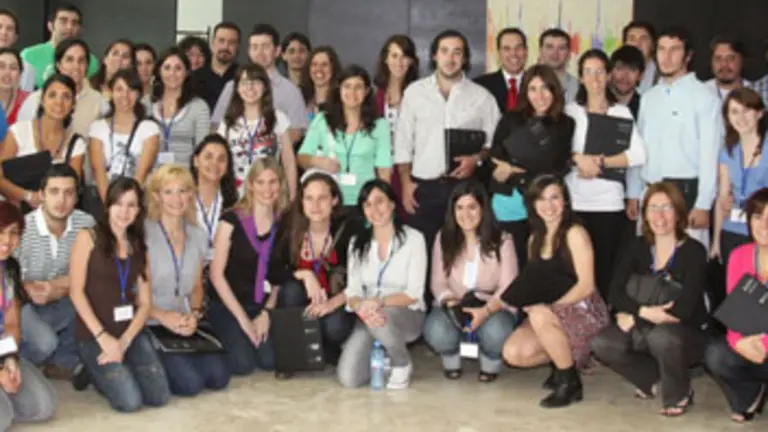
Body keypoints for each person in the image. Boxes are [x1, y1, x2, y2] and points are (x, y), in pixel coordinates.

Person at [591, 181, 709, 417]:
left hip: (685, 334)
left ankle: (679, 393)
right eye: (653, 208)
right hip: (644, 324)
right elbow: (615, 292)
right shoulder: (635, 247)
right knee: (602, 343)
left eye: (667, 208)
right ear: (644, 214)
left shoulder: (694, 251)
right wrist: (644, 313)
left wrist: (635, 316)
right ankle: (651, 380)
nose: (660, 216)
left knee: (662, 337)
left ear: (679, 214)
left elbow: (683, 310)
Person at [501, 174, 609, 408]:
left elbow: (586, 286)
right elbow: (535, 282)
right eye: (541, 199)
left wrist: (551, 309)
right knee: (514, 353)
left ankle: (568, 381)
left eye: (554, 198)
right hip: (549, 314)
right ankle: (562, 361)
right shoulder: (534, 240)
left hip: (583, 308)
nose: (548, 205)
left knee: (539, 314)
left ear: (565, 201)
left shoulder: (575, 233)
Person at [395, 29, 500, 263]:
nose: (450, 58)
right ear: (434, 55)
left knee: (461, 254)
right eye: (444, 51)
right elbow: (403, 141)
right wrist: (405, 182)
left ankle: (455, 299)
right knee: (422, 252)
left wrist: (477, 159)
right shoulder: (414, 93)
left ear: (464, 58)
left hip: (463, 190)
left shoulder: (482, 97)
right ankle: (424, 299)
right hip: (423, 187)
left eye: (457, 52)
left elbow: (494, 144)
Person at [69, 177, 170, 412]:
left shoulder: (138, 244)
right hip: (94, 333)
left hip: (129, 332)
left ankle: (117, 364)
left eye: (131, 205)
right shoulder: (88, 237)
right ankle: (91, 370)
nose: (124, 212)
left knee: (159, 396)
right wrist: (103, 337)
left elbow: (145, 304)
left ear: (139, 210)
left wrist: (124, 342)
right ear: (108, 205)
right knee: (129, 401)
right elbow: (76, 293)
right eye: (118, 204)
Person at [627, 27, 722, 249]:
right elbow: (638, 149)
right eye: (661, 49)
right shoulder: (649, 98)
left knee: (686, 268)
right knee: (650, 265)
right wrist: (633, 192)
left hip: (686, 195)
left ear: (688, 55)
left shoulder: (704, 97)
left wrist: (703, 204)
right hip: (650, 192)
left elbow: (710, 154)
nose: (667, 56)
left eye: (675, 50)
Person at [565, 49, 646, 301]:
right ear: (580, 77)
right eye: (588, 72)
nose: (595, 78)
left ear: (609, 75)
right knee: (573, 268)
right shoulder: (570, 112)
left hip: (609, 203)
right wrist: (578, 159)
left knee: (604, 268)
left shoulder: (621, 112)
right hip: (575, 201)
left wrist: (601, 162)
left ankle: (601, 324)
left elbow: (638, 155)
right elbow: (558, 150)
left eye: (600, 71)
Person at [144, 164, 230, 396]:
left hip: (185, 321)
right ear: (156, 196)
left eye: (183, 191)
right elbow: (133, 292)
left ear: (191, 195)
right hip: (151, 321)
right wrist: (163, 316)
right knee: (189, 384)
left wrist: (194, 313)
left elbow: (196, 287)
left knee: (219, 377)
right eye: (168, 192)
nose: (177, 199)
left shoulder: (198, 235)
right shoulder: (144, 235)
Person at [423, 181, 518, 382]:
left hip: (492, 306)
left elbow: (508, 286)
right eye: (460, 208)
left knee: (497, 331)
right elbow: (438, 282)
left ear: (483, 209)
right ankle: (451, 357)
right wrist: (449, 302)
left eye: (472, 207)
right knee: (435, 329)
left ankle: (490, 359)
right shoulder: (443, 238)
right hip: (455, 304)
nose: (466, 214)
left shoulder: (503, 240)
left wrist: (485, 311)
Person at [339, 180, 426, 389]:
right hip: (368, 315)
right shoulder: (356, 243)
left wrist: (378, 302)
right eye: (367, 204)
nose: (374, 210)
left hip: (405, 313)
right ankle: (382, 354)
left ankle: (401, 362)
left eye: (380, 202)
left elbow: (413, 293)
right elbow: (353, 290)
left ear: (393, 204)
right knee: (349, 378)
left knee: (383, 319)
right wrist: (361, 307)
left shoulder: (414, 239)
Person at [207, 158, 290, 375]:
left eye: (273, 182)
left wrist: (266, 314)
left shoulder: (284, 223)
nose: (267, 189)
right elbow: (216, 275)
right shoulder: (230, 220)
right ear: (250, 184)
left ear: (280, 185)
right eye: (260, 182)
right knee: (242, 364)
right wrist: (243, 321)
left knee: (269, 361)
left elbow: (278, 279)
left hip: (259, 303)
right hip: (228, 304)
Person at [268, 171, 356, 371]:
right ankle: (296, 354)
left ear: (334, 200)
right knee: (290, 290)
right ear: (301, 201)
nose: (315, 206)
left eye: (322, 198)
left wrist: (331, 304)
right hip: (303, 300)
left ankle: (329, 348)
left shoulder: (350, 227)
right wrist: (305, 274)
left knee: (335, 327)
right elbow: (273, 271)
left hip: (338, 300)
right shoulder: (290, 224)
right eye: (309, 198)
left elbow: (360, 280)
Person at [489, 64, 574, 268]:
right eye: (533, 89)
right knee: (511, 262)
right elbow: (496, 156)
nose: (540, 95)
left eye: (545, 88)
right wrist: (503, 170)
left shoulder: (565, 123)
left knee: (541, 262)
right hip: (510, 201)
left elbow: (560, 165)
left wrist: (519, 172)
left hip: (545, 204)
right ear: (525, 93)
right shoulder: (511, 119)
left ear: (554, 90)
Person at [16, 164, 94, 382]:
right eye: (54, 191)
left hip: (62, 298)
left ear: (76, 197)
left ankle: (61, 362)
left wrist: (59, 287)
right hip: (23, 302)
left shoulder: (86, 224)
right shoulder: (21, 227)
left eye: (68, 193)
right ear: (41, 195)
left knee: (92, 298)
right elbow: (6, 282)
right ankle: (17, 363)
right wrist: (27, 290)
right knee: (44, 342)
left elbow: (95, 272)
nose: (61, 200)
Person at [705, 187, 768, 424]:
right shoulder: (740, 256)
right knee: (716, 355)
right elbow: (735, 311)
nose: (764, 225)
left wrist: (763, 344)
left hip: (763, 344)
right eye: (758, 216)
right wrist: (738, 342)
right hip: (749, 343)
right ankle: (751, 393)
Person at [0, 201, 58, 431]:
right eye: (1, 231)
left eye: (14, 233)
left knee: (43, 407)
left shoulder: (10, 269)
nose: (7, 240)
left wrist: (10, 359)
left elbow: (12, 323)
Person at [298, 65, 392, 207]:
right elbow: (301, 157)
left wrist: (383, 202)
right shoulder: (323, 120)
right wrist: (319, 162)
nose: (352, 92)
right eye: (347, 86)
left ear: (366, 91)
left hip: (366, 202)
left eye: (358, 87)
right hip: (329, 202)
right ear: (339, 90)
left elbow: (384, 171)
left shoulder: (380, 126)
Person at [0, 74, 87, 208]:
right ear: (42, 100)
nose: (59, 102)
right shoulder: (18, 132)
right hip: (15, 213)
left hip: (56, 215)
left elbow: (71, 189)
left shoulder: (76, 144)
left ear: (73, 104)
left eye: (66, 97)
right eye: (52, 95)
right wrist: (28, 196)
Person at [212, 24, 307, 144]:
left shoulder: (290, 91)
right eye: (254, 47)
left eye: (265, 47)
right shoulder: (232, 87)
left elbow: (296, 132)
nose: (259, 52)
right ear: (248, 52)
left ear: (277, 51)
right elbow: (216, 126)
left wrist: (265, 147)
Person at [215, 64, 297, 198]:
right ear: (237, 88)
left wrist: (292, 196)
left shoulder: (278, 118)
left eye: (256, 82)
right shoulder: (228, 121)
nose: (250, 88)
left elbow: (289, 162)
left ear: (265, 87)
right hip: (235, 194)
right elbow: (218, 160)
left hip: (269, 192)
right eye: (244, 83)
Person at [712, 88, 768, 266]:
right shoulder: (728, 151)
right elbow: (722, 199)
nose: (740, 118)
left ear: (759, 113)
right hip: (732, 231)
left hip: (763, 230)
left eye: (746, 110)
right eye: (734, 112)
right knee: (736, 290)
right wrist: (715, 242)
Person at [89, 69, 160, 202]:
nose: (125, 96)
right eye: (119, 89)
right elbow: (99, 173)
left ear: (138, 94)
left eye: (131, 90)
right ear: (110, 92)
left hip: (137, 199)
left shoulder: (150, 128)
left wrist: (127, 205)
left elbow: (141, 175)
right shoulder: (97, 128)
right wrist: (109, 205)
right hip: (103, 199)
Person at [17, 38, 104, 138]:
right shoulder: (37, 99)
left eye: (81, 61)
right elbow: (21, 137)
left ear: (87, 66)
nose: (76, 66)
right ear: (58, 65)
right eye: (69, 60)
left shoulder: (99, 101)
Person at [151, 47, 211, 166]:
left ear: (187, 72)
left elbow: (203, 150)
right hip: (153, 179)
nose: (172, 73)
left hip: (185, 178)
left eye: (178, 68)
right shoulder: (147, 105)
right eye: (167, 68)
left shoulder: (199, 107)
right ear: (159, 71)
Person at [20, 3, 99, 88]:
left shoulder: (91, 61)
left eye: (74, 23)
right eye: (63, 21)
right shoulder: (28, 56)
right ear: (50, 26)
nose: (69, 27)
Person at [190, 134, 239, 263]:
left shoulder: (236, 204)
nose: (214, 163)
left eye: (221, 159)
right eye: (208, 157)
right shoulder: (181, 199)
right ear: (196, 160)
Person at [475, 27, 528, 113]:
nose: (513, 54)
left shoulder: (537, 85)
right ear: (499, 53)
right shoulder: (480, 87)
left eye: (518, 48)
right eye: (507, 49)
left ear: (526, 51)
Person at [192, 22, 240, 111]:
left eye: (231, 42)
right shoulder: (194, 78)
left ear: (238, 47)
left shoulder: (243, 78)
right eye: (221, 41)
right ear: (212, 43)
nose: (226, 47)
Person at [300, 46, 341, 122]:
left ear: (333, 68)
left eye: (324, 65)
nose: (319, 69)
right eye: (314, 64)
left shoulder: (341, 101)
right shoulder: (301, 99)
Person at [537, 28, 578, 103]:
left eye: (561, 48)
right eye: (549, 47)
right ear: (540, 51)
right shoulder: (527, 84)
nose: (555, 53)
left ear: (569, 53)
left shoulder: (578, 87)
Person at [0, 8, 36, 91]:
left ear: (15, 37)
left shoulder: (27, 69)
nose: (4, 32)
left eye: (10, 29)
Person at [707, 36, 750, 101]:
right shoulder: (700, 92)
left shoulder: (754, 91)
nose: (724, 64)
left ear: (741, 60)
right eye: (718, 58)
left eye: (730, 58)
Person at [609, 45, 645, 120]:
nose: (624, 76)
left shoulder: (644, 107)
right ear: (610, 71)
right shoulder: (599, 102)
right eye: (619, 68)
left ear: (640, 76)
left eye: (632, 69)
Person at [622, 21, 657, 94]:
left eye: (643, 39)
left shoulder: (662, 74)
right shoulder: (614, 75)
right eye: (632, 39)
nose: (637, 44)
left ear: (653, 45)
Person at [0, 47, 29, 126]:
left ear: (20, 74)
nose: (7, 72)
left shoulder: (29, 100)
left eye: (13, 68)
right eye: (1, 66)